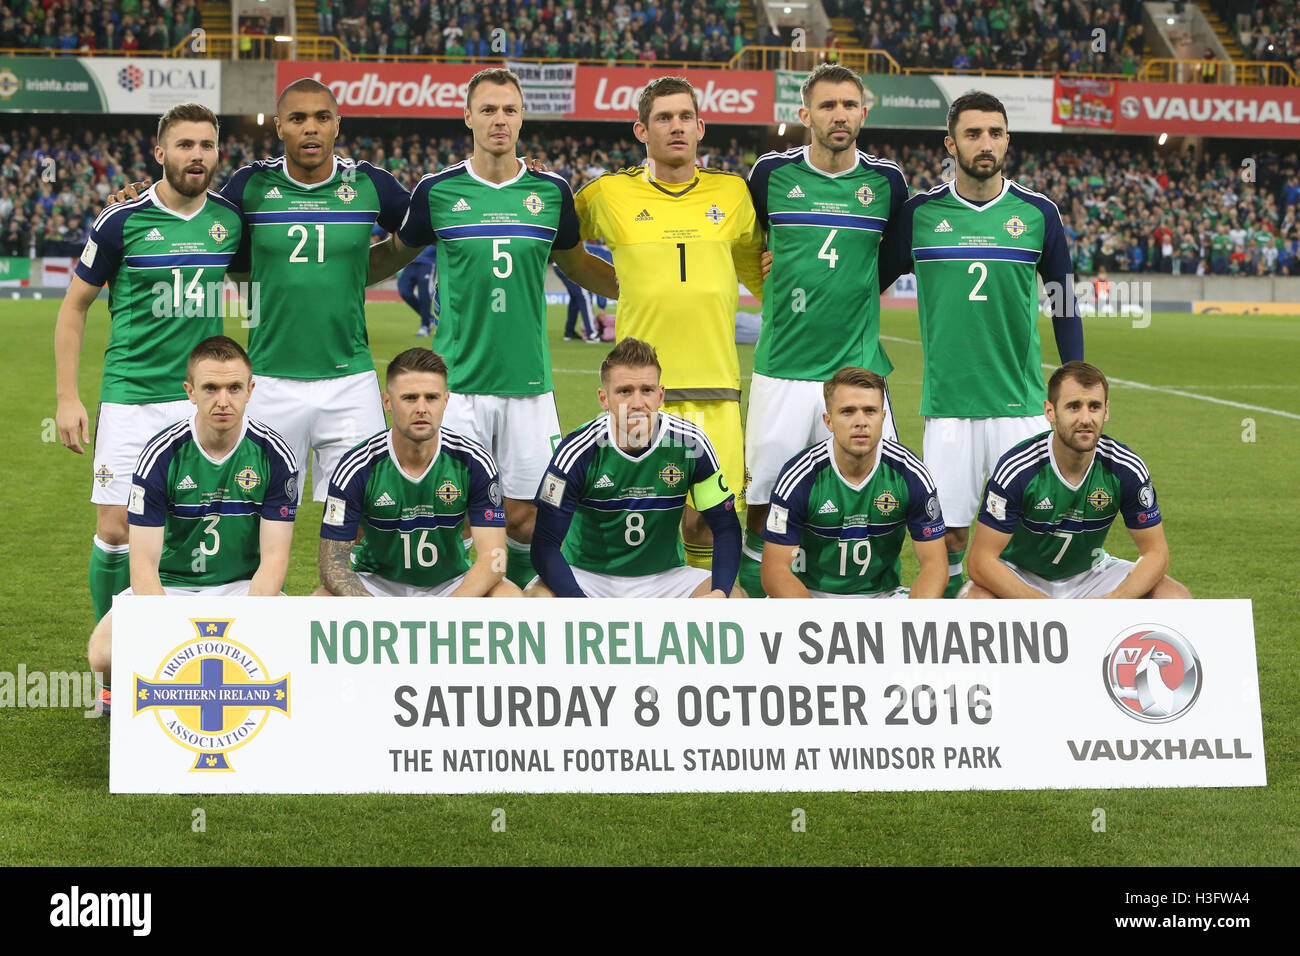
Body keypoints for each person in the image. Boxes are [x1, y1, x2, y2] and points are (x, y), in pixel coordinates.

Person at [372, 68, 619, 589]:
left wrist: (643, 288)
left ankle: (520, 607)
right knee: (454, 513)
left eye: (508, 109)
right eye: (487, 109)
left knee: (527, 518)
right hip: (458, 387)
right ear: (468, 118)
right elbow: (396, 253)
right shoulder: (438, 191)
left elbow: (575, 265)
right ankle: (459, 612)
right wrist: (333, 276)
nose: (499, 119)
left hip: (529, 386)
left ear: (522, 117)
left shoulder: (551, 192)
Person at [881, 90, 1084, 597]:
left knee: (1029, 530)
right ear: (950, 143)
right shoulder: (919, 213)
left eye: (995, 133)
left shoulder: (1038, 213)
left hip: (1019, 404)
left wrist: (1076, 382)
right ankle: (953, 631)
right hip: (949, 405)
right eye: (972, 134)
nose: (985, 143)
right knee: (948, 534)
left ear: (1008, 140)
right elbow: (870, 280)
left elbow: (1062, 299)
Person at [55, 103, 243, 627]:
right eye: (185, 145)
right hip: (131, 396)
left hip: (202, 401)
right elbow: (74, 307)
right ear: (160, 153)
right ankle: (110, 667)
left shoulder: (229, 220)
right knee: (116, 529)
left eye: (206, 145)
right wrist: (67, 397)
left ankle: (176, 645)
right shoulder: (122, 219)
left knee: (187, 528)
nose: (197, 155)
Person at [573, 75, 765, 574]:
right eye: (663, 118)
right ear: (642, 130)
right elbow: (558, 241)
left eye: (684, 117)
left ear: (701, 127)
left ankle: (703, 614)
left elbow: (758, 272)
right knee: (641, 516)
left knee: (711, 521)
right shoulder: (607, 194)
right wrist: (618, 284)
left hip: (716, 392)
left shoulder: (734, 194)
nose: (675, 127)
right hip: (640, 392)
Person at [742, 63, 909, 597]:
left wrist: (858, 285)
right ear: (805, 114)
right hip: (783, 372)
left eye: (849, 105)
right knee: (762, 504)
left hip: (856, 375)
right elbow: (748, 244)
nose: (839, 115)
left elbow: (895, 257)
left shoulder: (887, 182)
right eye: (827, 105)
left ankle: (879, 600)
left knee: (879, 494)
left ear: (864, 110)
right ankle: (762, 610)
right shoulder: (770, 174)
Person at [86, 336, 298, 714]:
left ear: (251, 390)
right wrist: (175, 634)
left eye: (234, 388)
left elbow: (275, 560)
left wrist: (246, 627)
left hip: (243, 591)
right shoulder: (160, 456)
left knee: (301, 654)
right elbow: (143, 567)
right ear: (190, 392)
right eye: (210, 388)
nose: (223, 400)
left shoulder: (275, 455)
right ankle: (120, 693)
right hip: (171, 590)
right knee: (102, 655)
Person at [527, 338, 743, 598]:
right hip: (588, 578)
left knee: (735, 598)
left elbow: (726, 527)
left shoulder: (690, 443)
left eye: (647, 390)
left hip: (666, 579)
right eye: (625, 391)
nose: (638, 402)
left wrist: (719, 593)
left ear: (661, 395)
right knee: (536, 599)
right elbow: (544, 545)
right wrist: (578, 602)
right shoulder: (577, 451)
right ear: (604, 398)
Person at [962, 362, 1190, 599]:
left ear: (1107, 411)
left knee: (1174, 596)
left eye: (1094, 407)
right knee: (973, 599)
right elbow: (981, 561)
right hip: (1022, 575)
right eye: (1073, 407)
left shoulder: (1126, 468)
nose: (1085, 418)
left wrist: (1113, 601)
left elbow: (1156, 553)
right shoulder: (1018, 468)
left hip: (1092, 574)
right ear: (1050, 411)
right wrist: (1046, 607)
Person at [317, 348, 519, 598]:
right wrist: (376, 613)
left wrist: (444, 611)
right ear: (387, 402)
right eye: (410, 398)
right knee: (322, 600)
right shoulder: (357, 466)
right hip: (378, 587)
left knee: (508, 597)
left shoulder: (474, 461)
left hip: (449, 586)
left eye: (431, 398)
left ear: (446, 401)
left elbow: (494, 558)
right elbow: (331, 564)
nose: (422, 408)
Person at [762, 367, 947, 599]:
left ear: (883, 417)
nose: (861, 422)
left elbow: (935, 565)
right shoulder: (800, 476)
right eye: (848, 412)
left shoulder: (909, 472)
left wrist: (912, 620)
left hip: (882, 597)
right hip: (809, 597)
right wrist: (818, 625)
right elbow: (775, 571)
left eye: (870, 411)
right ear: (828, 421)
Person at [397, 243, 440, 336]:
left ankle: (425, 325)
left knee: (424, 294)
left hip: (428, 262)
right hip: (410, 262)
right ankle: (428, 318)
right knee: (404, 291)